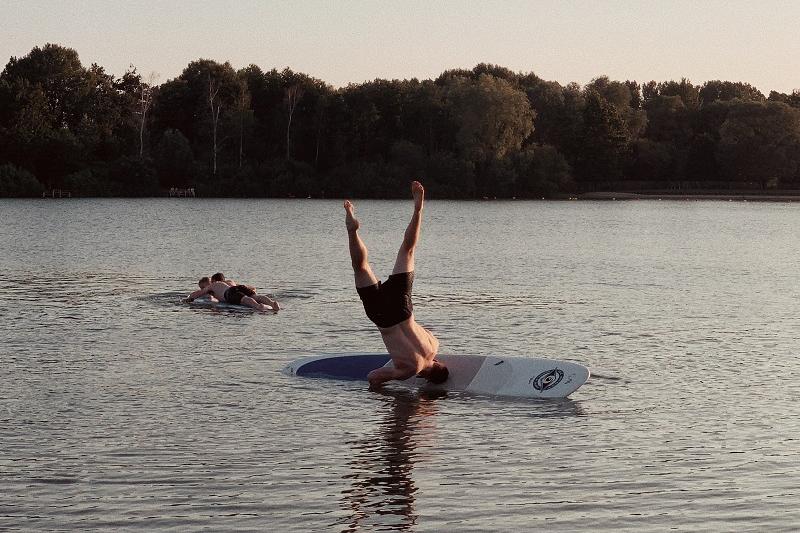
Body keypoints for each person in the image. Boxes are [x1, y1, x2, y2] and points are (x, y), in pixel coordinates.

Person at [344, 180, 448, 389]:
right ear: (426, 377)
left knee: (407, 250)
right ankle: (352, 232)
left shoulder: (433, 345)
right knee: (361, 268)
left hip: (403, 310)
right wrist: (390, 378)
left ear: (438, 363)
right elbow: (373, 377)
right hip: (383, 318)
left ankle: (418, 210)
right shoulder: (410, 370)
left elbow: (419, 330)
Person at [186, 274, 280, 312]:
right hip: (238, 287)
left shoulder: (212, 286)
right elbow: (252, 288)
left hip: (229, 293)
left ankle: (258, 306)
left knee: (245, 300)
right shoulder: (229, 282)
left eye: (203, 287)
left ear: (211, 281)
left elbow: (198, 293)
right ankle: (272, 303)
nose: (203, 289)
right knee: (257, 297)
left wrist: (189, 298)